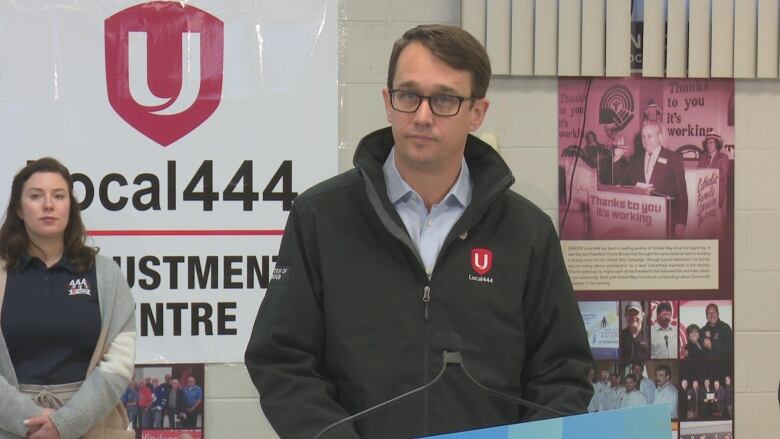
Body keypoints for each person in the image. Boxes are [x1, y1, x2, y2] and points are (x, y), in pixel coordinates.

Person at [244, 24, 593, 438]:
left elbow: (563, 374)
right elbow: (281, 360)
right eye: (409, 95)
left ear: (477, 113)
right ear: (388, 103)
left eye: (444, 99)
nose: (422, 116)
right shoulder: (321, 218)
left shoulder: (527, 232)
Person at [0, 157, 136, 439]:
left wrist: (68, 423)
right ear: (19, 210)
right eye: (36, 196)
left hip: (92, 427)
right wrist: (29, 419)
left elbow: (119, 364)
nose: (48, 204)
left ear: (70, 207)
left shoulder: (106, 275)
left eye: (58, 196)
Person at [613, 122, 688, 238]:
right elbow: (619, 182)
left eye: (649, 136)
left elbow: (681, 192)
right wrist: (617, 157)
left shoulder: (673, 158)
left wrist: (681, 221)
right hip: (639, 220)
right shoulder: (635, 159)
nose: (645, 140)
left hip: (665, 220)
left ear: (659, 137)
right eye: (643, 136)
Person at [697, 132, 730, 209]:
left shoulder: (723, 157)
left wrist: (706, 176)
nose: (709, 145)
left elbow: (723, 175)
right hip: (704, 196)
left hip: (717, 195)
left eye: (711, 142)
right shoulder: (703, 157)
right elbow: (698, 172)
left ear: (717, 144)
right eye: (707, 143)